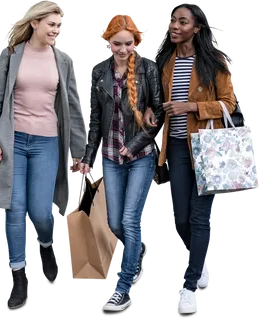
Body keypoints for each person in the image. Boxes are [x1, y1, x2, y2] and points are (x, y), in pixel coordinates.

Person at [0, 0, 86, 311]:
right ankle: (18, 275)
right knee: (14, 208)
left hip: (47, 142)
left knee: (40, 211)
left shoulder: (63, 60)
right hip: (12, 142)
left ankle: (47, 247)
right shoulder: (12, 55)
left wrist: (78, 150)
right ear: (35, 23)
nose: (56, 30)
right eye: (52, 24)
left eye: (60, 26)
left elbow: (73, 108)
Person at [143, 3, 235, 316]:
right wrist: (151, 113)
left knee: (199, 217)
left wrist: (191, 108)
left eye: (183, 21)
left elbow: (228, 104)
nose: (175, 26)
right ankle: (201, 260)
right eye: (172, 20)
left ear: (196, 27)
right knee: (180, 216)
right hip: (177, 148)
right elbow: (156, 100)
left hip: (207, 147)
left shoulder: (214, 59)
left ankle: (190, 285)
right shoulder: (164, 59)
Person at [79, 12, 164, 311]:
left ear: (136, 42)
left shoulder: (147, 68)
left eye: (129, 43)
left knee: (130, 220)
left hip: (140, 156)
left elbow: (158, 114)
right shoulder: (98, 72)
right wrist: (88, 157)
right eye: (117, 43)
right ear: (107, 42)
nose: (123, 49)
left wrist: (135, 143)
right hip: (110, 157)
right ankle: (137, 249)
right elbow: (93, 120)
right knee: (116, 223)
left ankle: (123, 288)